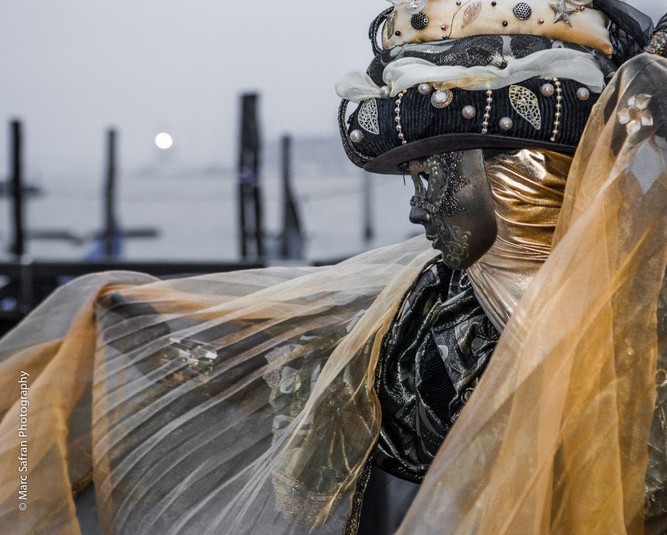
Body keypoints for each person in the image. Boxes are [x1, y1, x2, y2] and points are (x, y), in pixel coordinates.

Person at [0, 2, 665, 535]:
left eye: (428, 176)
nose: (416, 210)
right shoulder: (425, 316)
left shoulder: (456, 340)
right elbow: (275, 353)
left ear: (516, 179)